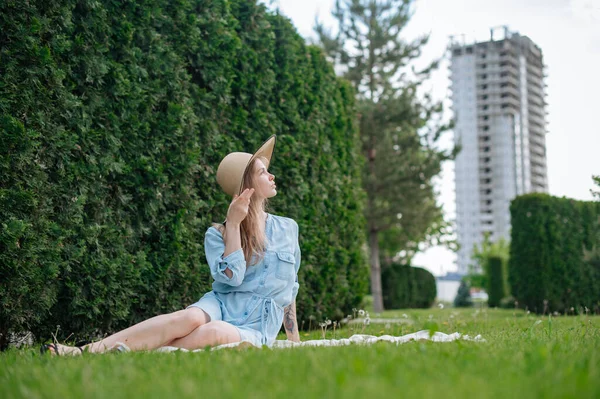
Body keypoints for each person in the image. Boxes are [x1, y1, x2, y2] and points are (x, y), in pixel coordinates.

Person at [41, 135, 301, 355]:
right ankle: (86, 351)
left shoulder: (288, 228)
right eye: (262, 172)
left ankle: (123, 352)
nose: (271, 175)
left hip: (256, 324)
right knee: (190, 318)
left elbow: (289, 290)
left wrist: (294, 340)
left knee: (215, 331)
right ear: (248, 186)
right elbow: (232, 280)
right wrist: (233, 225)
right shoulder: (218, 233)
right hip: (221, 303)